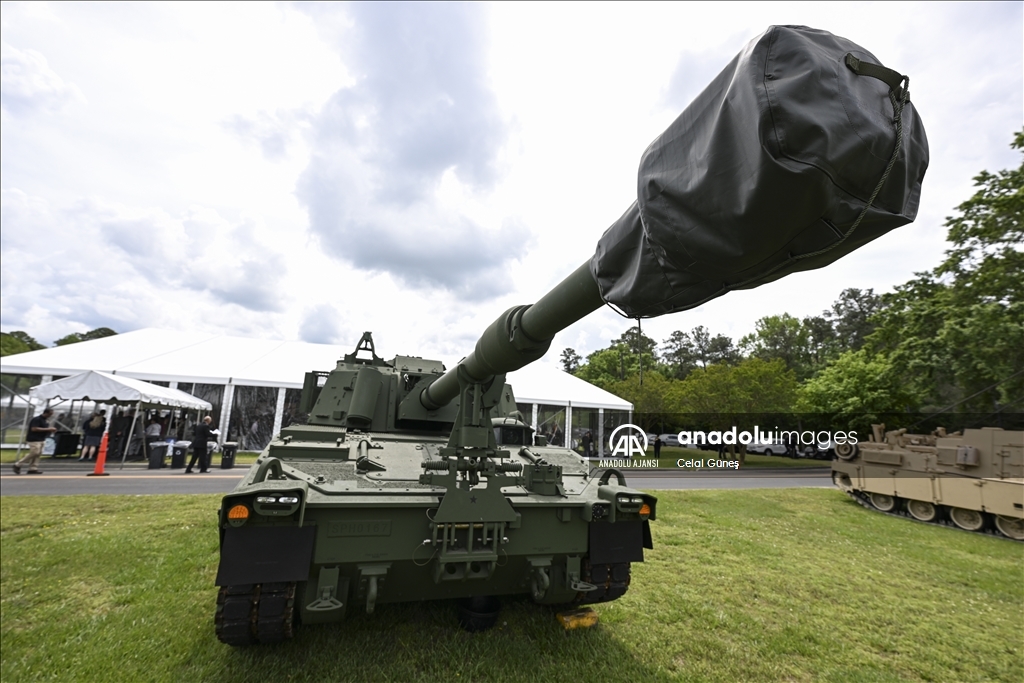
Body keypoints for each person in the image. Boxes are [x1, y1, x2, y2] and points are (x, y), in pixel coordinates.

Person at [13, 408, 56, 474]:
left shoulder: (46, 421)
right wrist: (48, 429)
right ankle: (18, 464)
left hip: (42, 439)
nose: (50, 416)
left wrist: (49, 431)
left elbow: (45, 429)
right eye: (50, 414)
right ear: (46, 413)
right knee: (35, 452)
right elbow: (34, 429)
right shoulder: (37, 419)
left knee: (38, 454)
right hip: (33, 439)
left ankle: (33, 468)